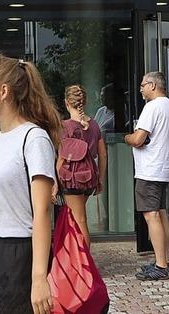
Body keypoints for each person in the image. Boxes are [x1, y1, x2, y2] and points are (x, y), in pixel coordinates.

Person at [0, 55, 60, 314]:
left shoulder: (34, 138)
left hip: (20, 254)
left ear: (4, 91)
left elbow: (41, 212)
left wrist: (39, 277)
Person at [124, 71, 169, 281]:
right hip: (164, 166)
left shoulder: (152, 107)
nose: (140, 90)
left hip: (150, 168)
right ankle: (163, 259)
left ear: (153, 85)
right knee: (161, 213)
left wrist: (127, 136)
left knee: (151, 214)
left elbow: (139, 139)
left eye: (143, 85)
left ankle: (161, 265)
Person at [54, 84, 107, 248]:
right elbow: (103, 154)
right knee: (76, 219)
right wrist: (100, 179)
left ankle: (85, 263)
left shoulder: (65, 126)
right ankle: (75, 258)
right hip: (88, 179)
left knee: (79, 220)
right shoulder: (94, 125)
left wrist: (55, 182)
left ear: (66, 103)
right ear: (84, 102)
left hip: (71, 180)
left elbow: (62, 159)